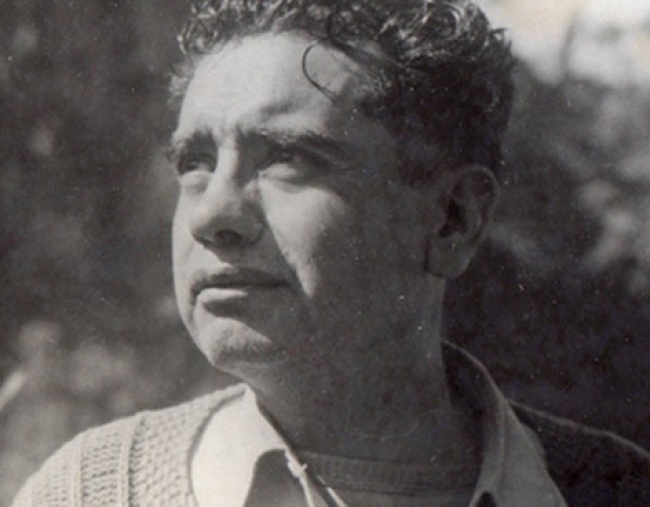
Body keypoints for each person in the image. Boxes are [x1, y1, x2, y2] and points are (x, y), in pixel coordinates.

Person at [13, 0, 650, 505]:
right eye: (195, 163)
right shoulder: (88, 492)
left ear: (453, 219)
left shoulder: (615, 490)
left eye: (289, 158)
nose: (212, 216)